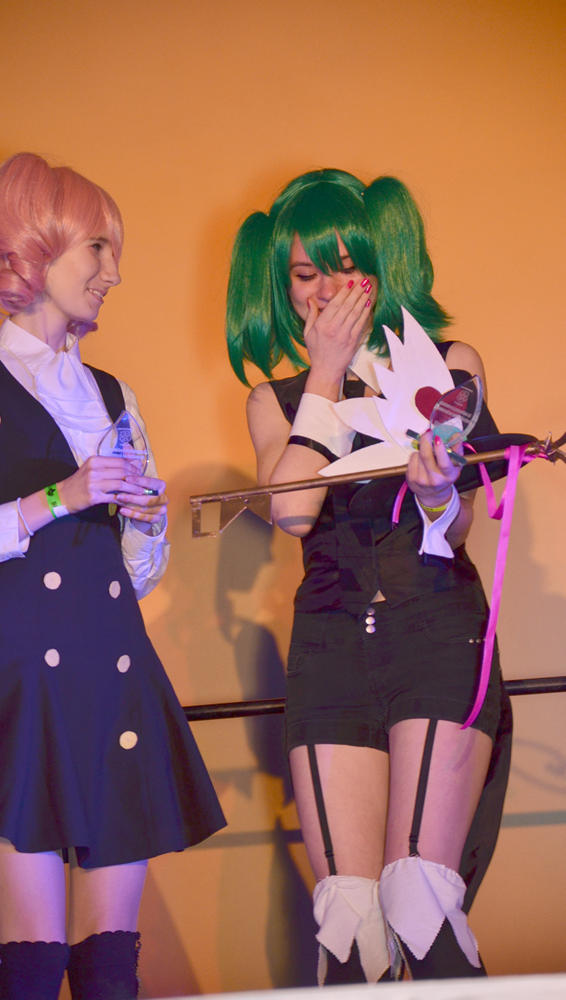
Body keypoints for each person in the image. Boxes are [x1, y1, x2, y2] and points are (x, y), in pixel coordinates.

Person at [0, 152, 225, 1000]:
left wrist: (145, 525)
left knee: (113, 964)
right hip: (22, 688)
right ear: (37, 250)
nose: (113, 273)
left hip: (114, 680)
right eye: (99, 249)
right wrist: (56, 498)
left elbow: (133, 579)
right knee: (35, 964)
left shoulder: (115, 395)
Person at [226, 168, 512, 982]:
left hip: (436, 632)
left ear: (380, 269)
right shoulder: (274, 402)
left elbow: (464, 520)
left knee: (419, 905)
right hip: (329, 647)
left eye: (345, 269)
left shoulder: (447, 362)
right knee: (351, 929)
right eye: (304, 274)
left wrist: (435, 495)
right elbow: (292, 510)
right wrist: (324, 372)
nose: (325, 291)